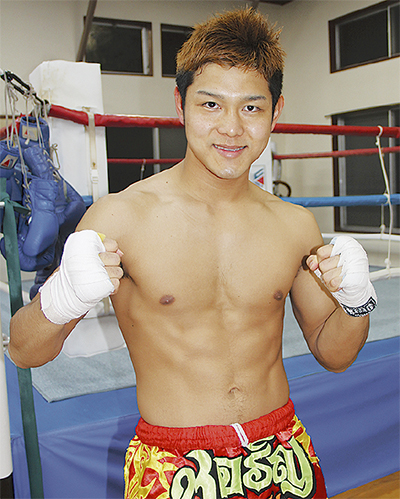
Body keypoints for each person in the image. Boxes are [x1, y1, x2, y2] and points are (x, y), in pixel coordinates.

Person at [8, 7, 377, 499]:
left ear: (276, 112)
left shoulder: (295, 225)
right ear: (180, 104)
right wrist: (63, 297)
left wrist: (356, 301)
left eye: (251, 108)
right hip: (173, 464)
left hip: (283, 454)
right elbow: (24, 350)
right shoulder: (121, 218)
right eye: (211, 105)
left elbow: (336, 355)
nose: (231, 128)